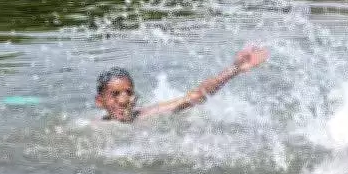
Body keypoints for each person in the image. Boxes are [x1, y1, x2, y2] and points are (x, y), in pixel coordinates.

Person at [95, 46, 269, 123]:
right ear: (99, 102)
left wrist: (235, 69)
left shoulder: (147, 116)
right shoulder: (91, 127)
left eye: (128, 92)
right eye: (115, 94)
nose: (124, 100)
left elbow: (196, 96)